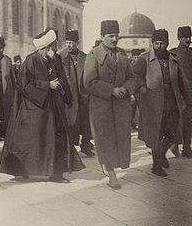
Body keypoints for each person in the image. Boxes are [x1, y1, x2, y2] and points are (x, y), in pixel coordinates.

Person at [0, 28, 85, 182]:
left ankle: (56, 174)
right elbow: (23, 84)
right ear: (45, 47)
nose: (57, 47)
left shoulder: (56, 59)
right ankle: (22, 170)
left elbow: (63, 78)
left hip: (55, 107)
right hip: (35, 108)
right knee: (31, 141)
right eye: (54, 45)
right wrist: (47, 85)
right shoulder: (31, 60)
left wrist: (61, 86)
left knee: (57, 140)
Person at [84, 20, 141, 189]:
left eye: (116, 36)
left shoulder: (123, 55)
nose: (114, 39)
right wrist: (111, 90)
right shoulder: (93, 55)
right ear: (102, 37)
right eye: (110, 36)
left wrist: (125, 88)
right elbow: (88, 82)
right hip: (101, 106)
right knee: (105, 138)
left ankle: (111, 166)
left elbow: (132, 77)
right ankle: (111, 174)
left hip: (120, 106)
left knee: (120, 138)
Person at [132, 29, 192, 177]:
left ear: (167, 44)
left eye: (162, 43)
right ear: (152, 43)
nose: (159, 47)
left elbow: (182, 81)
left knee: (173, 132)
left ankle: (161, 153)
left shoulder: (173, 59)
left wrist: (188, 99)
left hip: (172, 101)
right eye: (156, 43)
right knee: (156, 134)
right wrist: (141, 88)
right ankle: (156, 165)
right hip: (152, 103)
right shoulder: (144, 59)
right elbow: (134, 77)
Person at [170, 26, 192, 158]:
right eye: (185, 37)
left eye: (189, 37)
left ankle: (186, 148)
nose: (188, 39)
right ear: (179, 38)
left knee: (188, 122)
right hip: (180, 95)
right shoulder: (173, 54)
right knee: (179, 121)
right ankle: (175, 145)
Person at [59, 30, 94, 157]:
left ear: (77, 43)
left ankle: (85, 145)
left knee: (85, 123)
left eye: (72, 43)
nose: (69, 45)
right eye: (67, 42)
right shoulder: (60, 56)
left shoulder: (84, 57)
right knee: (69, 122)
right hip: (68, 96)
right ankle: (69, 148)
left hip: (83, 96)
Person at [130, 48, 146, 129]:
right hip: (132, 91)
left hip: (138, 90)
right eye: (135, 57)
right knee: (132, 108)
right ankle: (132, 123)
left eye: (138, 57)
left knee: (140, 108)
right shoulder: (129, 66)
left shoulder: (141, 66)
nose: (136, 59)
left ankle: (139, 123)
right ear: (132, 57)